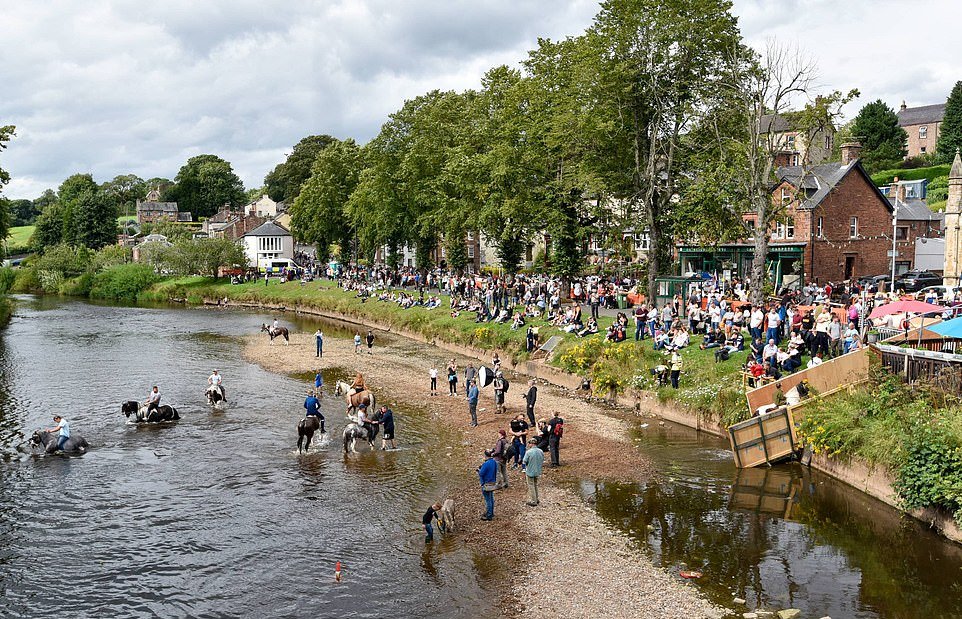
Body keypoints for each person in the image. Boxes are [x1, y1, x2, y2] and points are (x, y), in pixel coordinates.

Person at [522, 437, 544, 506]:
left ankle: (533, 501)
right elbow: (542, 459)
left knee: (531, 485)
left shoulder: (528, 452)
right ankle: (536, 499)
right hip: (538, 470)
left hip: (530, 471)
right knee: (535, 484)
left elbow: (524, 461)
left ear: (531, 444)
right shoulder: (540, 451)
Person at [478, 451, 497, 521]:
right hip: (493, 483)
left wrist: (479, 470)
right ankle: (491, 513)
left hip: (486, 484)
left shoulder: (486, 464)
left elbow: (481, 473)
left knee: (488, 500)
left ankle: (489, 515)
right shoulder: (494, 462)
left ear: (486, 456)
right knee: (491, 498)